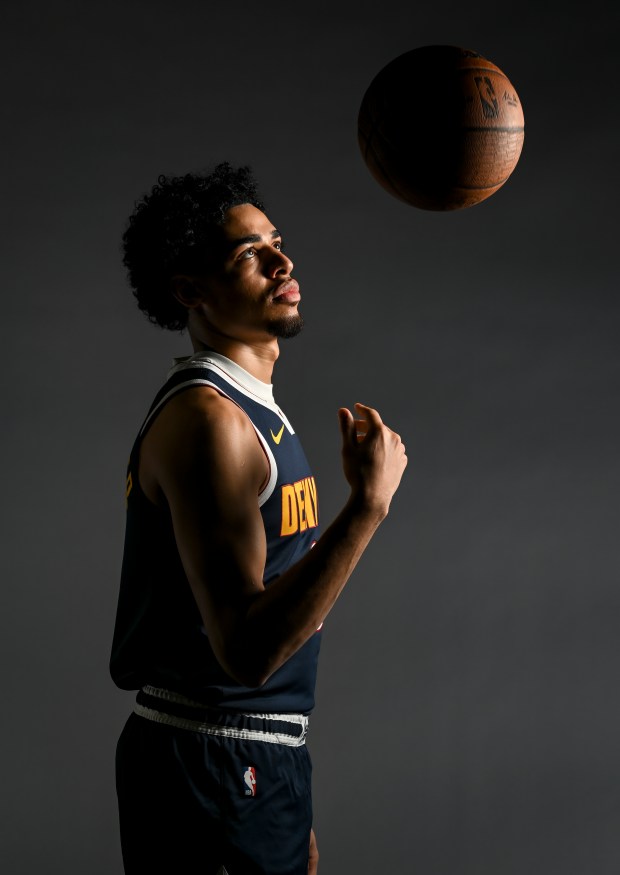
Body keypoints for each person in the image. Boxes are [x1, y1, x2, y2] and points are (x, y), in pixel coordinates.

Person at [110, 163, 407, 875]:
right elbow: (243, 650)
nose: (283, 260)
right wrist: (367, 508)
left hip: (251, 754)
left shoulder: (248, 407)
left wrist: (285, 785)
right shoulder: (209, 421)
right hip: (213, 757)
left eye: (276, 241)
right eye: (250, 254)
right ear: (191, 292)